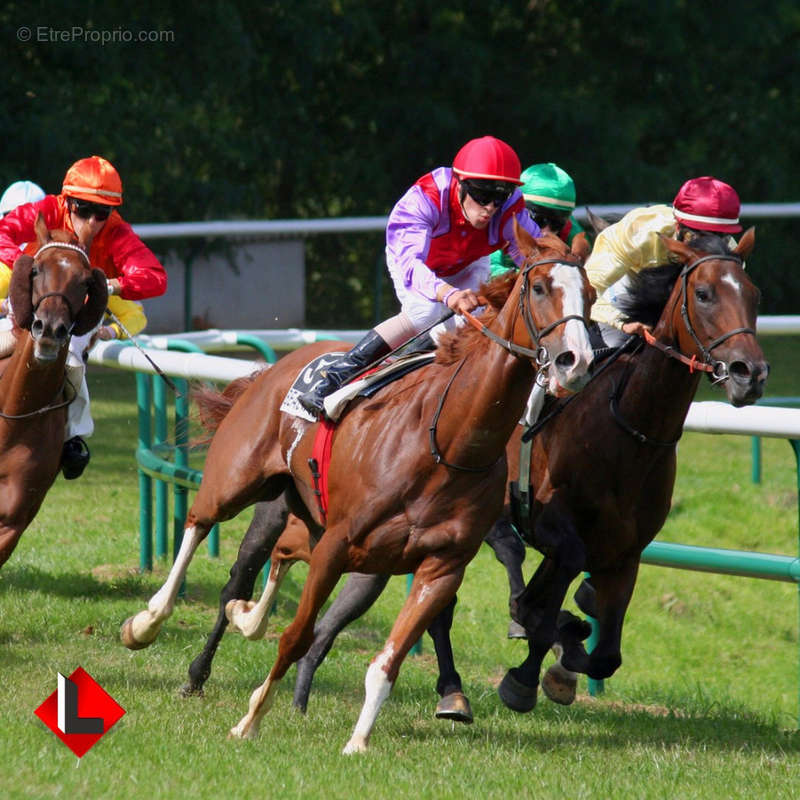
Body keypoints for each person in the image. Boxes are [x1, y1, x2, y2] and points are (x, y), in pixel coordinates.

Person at [299, 135, 542, 417]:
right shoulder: (426, 197)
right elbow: (413, 266)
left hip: (468, 264)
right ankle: (336, 378)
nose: (490, 208)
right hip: (416, 263)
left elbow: (536, 259)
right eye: (482, 195)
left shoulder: (511, 208)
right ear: (460, 184)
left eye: (499, 197)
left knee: (476, 322)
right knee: (427, 313)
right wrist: (448, 294)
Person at [0, 156, 167, 478]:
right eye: (82, 209)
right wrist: (29, 264)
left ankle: (73, 437)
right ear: (66, 201)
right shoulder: (46, 209)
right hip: (31, 302)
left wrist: (115, 284)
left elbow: (156, 278)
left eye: (101, 213)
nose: (91, 222)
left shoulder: (118, 233)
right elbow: (3, 233)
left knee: (73, 358)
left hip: (74, 315)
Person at [584, 175, 742, 349]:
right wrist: (620, 323)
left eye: (718, 239)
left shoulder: (731, 256)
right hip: (631, 284)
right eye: (695, 237)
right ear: (677, 227)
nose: (705, 249)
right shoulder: (639, 232)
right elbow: (587, 290)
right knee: (614, 343)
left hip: (687, 300)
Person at [490, 162, 585, 278]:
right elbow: (487, 270)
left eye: (557, 223)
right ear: (518, 208)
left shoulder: (574, 233)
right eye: (538, 219)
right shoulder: (499, 221)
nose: (546, 231)